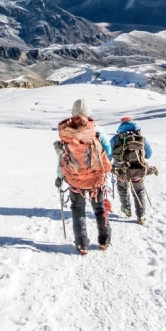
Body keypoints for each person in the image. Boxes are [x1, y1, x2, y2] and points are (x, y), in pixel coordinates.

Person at [55, 99, 113, 254]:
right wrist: (104, 169)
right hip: (96, 180)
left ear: (73, 113)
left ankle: (82, 244)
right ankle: (104, 240)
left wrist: (60, 176)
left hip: (74, 180)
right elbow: (107, 153)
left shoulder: (66, 135)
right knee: (99, 208)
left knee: (77, 209)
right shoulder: (96, 131)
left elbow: (61, 158)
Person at [110, 117, 157, 225]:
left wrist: (110, 166)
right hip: (137, 170)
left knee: (122, 188)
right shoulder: (141, 138)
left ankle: (126, 209)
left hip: (121, 170)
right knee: (139, 191)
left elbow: (109, 154)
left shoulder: (116, 138)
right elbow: (149, 154)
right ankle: (141, 216)